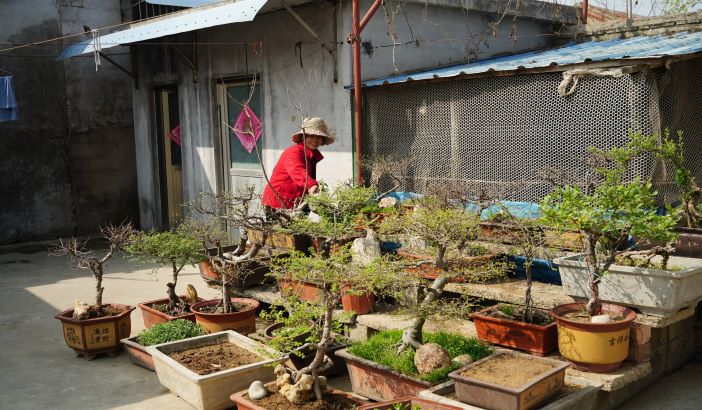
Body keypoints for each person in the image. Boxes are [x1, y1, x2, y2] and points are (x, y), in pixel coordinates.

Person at [262, 117, 335, 210]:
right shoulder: (294, 152)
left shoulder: (311, 155)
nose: (315, 140)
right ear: (303, 137)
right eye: (311, 136)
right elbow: (297, 171)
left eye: (319, 137)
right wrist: (311, 185)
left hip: (294, 202)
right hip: (277, 201)